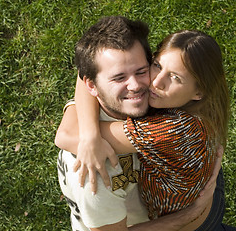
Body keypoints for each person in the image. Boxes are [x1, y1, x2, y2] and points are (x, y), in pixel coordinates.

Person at [55, 16, 227, 231]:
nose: (153, 83)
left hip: (198, 211)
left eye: (140, 71)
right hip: (188, 202)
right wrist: (90, 136)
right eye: (156, 66)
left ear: (199, 92)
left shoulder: (174, 126)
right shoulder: (95, 177)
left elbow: (66, 134)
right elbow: (84, 75)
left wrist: (89, 136)